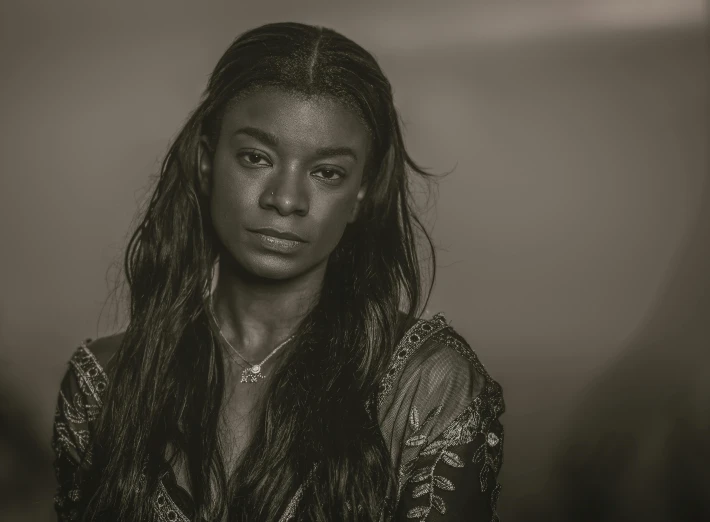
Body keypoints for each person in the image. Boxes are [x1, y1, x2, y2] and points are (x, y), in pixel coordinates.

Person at [51, 22, 505, 522]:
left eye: (327, 172)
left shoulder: (430, 386)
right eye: (256, 158)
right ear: (206, 163)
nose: (285, 199)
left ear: (361, 192)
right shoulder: (103, 384)